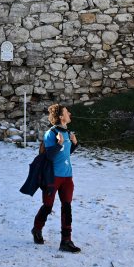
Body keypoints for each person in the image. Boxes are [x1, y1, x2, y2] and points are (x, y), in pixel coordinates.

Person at [32, 103, 81, 253]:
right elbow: (50, 156)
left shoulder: (67, 133)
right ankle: (37, 229)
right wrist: (59, 143)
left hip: (67, 177)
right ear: (61, 117)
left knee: (67, 207)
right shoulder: (51, 134)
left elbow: (64, 154)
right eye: (67, 112)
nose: (70, 114)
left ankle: (66, 241)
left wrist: (74, 144)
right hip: (52, 177)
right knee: (48, 206)